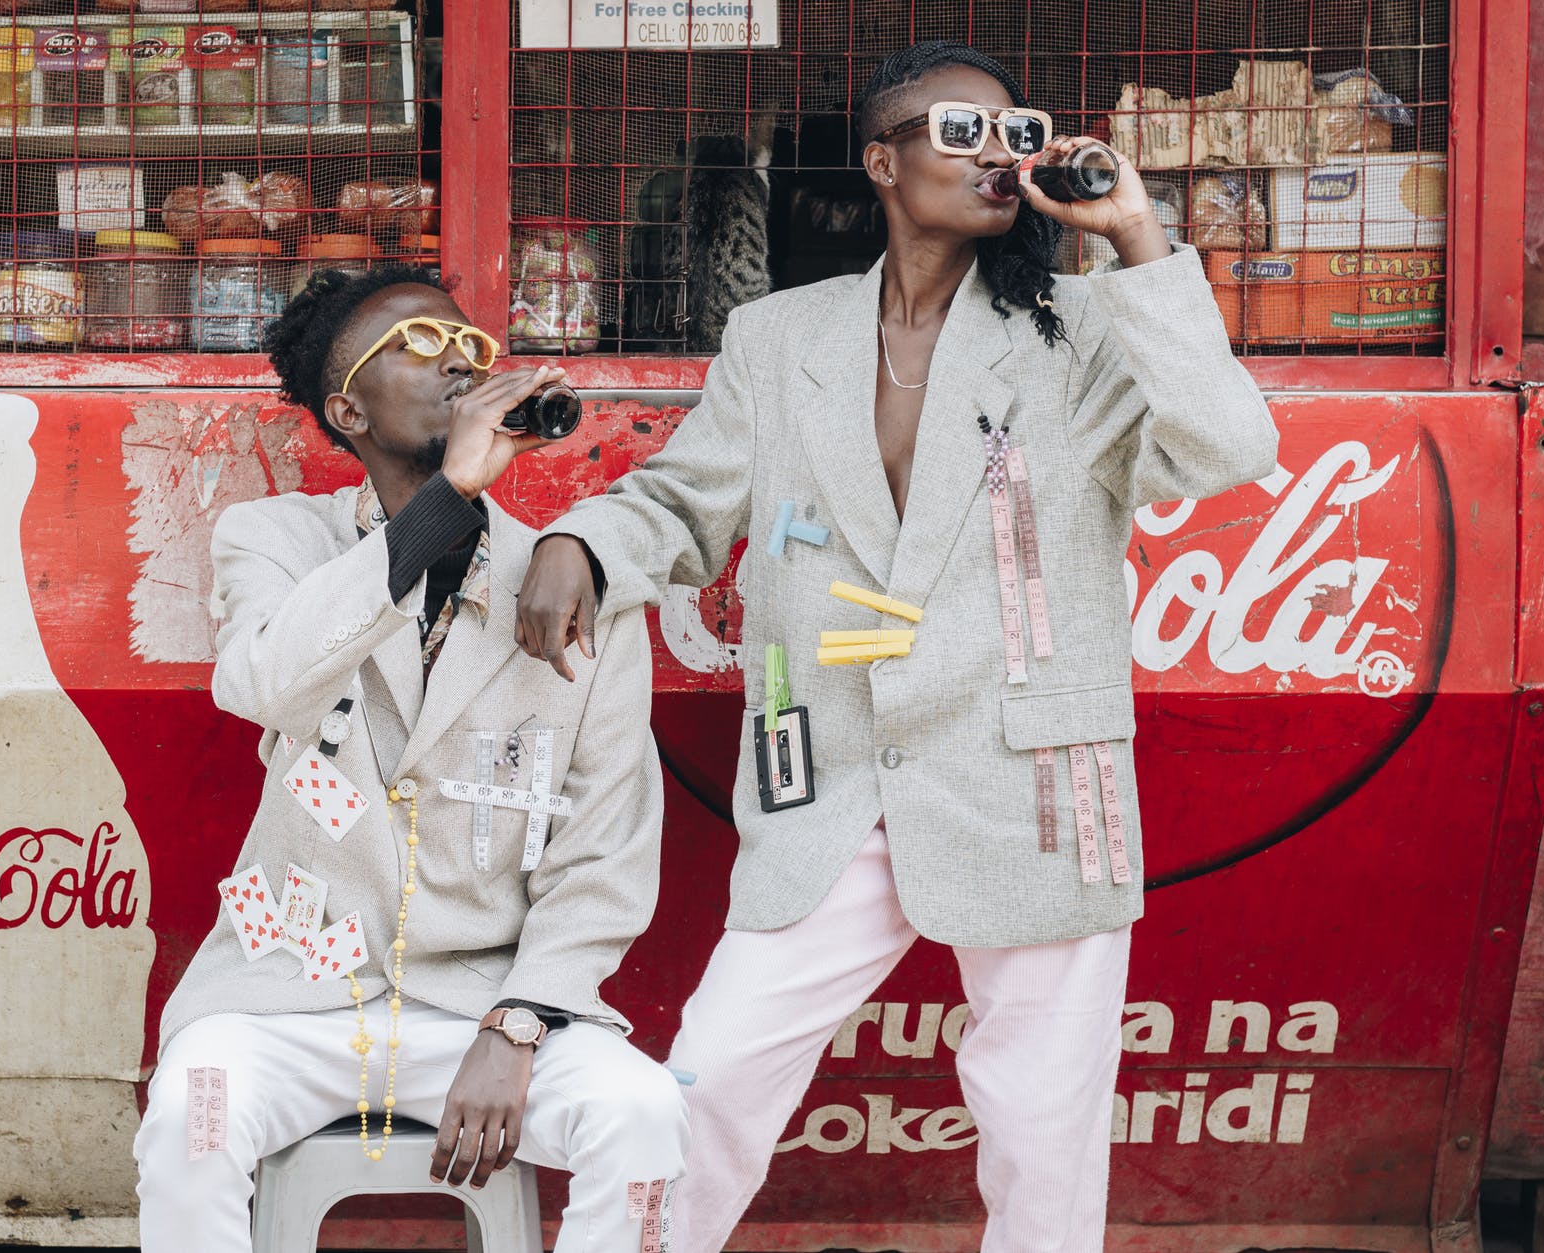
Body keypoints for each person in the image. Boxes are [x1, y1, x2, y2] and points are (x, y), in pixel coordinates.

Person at [515, 42, 1279, 1253]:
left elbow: (1231, 448)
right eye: (956, 132)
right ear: (881, 161)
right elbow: (680, 501)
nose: (994, 155)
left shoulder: (1077, 326)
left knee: (1039, 1119)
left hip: (1034, 772)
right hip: (825, 768)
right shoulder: (778, 337)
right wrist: (584, 544)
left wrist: (1136, 240)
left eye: (1010, 132)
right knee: (707, 1081)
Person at [135, 264, 688, 1253]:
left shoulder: (573, 582)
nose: (459, 366)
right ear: (346, 409)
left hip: (484, 1007)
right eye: (419, 348)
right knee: (192, 1113)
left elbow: (605, 853)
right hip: (285, 993)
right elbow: (265, 678)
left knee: (642, 1113)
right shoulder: (275, 538)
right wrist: (446, 496)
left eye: (470, 348)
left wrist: (519, 1022)